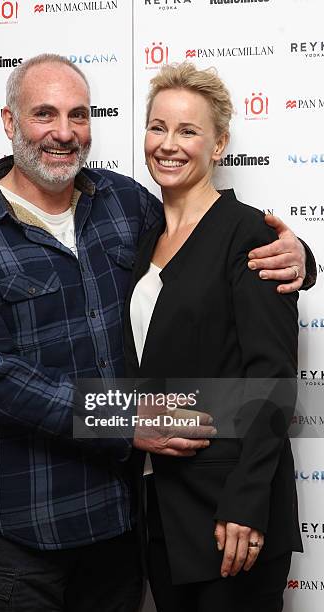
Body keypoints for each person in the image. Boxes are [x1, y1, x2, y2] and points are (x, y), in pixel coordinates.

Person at [0, 54, 311, 612]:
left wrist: (299, 257)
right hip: (18, 537)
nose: (63, 132)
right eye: (44, 114)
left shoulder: (121, 205)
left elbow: (211, 238)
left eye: (78, 115)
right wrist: (121, 418)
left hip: (115, 532)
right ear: (9, 123)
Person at [124, 62, 304, 612]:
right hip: (159, 512)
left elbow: (271, 379)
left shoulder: (248, 232)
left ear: (219, 144)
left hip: (231, 519)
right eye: (158, 127)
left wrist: (246, 503)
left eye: (188, 130)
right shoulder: (140, 235)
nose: (168, 144)